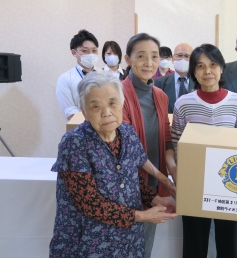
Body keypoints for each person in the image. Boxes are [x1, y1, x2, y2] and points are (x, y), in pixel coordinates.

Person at [49, 72, 177, 258]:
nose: (106, 112)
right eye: (95, 106)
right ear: (84, 112)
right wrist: (142, 216)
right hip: (87, 243)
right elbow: (90, 203)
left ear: (122, 103)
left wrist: (153, 199)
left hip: (128, 242)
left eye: (112, 103)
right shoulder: (74, 143)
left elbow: (133, 179)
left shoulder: (126, 132)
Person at [171, 44, 237, 258]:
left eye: (213, 65)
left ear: (222, 68)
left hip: (229, 184)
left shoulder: (236, 102)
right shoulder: (184, 103)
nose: (207, 71)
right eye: (200, 66)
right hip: (195, 183)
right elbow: (177, 141)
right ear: (193, 71)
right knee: (194, 245)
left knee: (227, 244)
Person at [121, 33, 178, 258]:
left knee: (145, 247)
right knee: (123, 245)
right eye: (141, 56)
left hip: (152, 183)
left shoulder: (160, 95)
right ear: (128, 59)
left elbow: (165, 137)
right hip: (126, 183)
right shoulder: (118, 94)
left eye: (154, 56)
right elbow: (129, 147)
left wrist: (173, 173)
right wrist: (167, 181)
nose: (149, 63)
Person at [56, 29, 101, 120]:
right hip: (81, 130)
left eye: (94, 50)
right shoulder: (65, 79)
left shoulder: (104, 75)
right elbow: (70, 111)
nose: (91, 54)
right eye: (85, 51)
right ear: (74, 53)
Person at [154, 43, 195, 113]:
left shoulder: (199, 82)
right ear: (173, 59)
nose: (183, 59)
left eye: (187, 56)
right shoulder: (158, 83)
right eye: (179, 55)